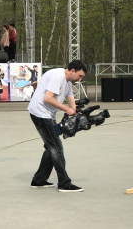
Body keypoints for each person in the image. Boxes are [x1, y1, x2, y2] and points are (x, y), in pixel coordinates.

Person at [27, 60, 87, 192]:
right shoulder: (58, 76)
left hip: (48, 114)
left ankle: (39, 180)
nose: (80, 79)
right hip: (41, 113)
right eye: (80, 76)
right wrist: (66, 109)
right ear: (72, 71)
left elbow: (69, 95)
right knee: (56, 147)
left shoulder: (68, 80)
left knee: (50, 147)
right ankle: (64, 183)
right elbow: (47, 98)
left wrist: (75, 110)